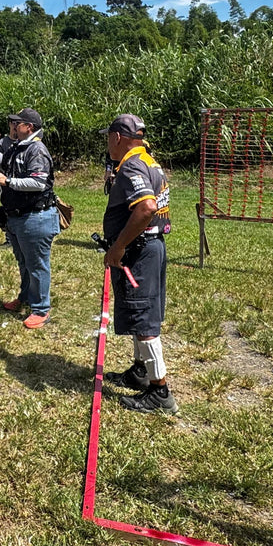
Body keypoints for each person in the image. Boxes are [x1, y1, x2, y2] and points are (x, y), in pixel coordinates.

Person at [101, 115, 179, 414]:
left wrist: (118, 246)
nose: (108, 143)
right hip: (150, 246)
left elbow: (146, 208)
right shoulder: (149, 162)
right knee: (139, 312)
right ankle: (141, 371)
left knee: (144, 319)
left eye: (108, 137)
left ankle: (160, 392)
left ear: (117, 137)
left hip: (139, 250)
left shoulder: (132, 165)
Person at [0, 107, 61, 329]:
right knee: (24, 262)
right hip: (17, 217)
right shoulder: (18, 146)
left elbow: (38, 182)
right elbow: (3, 165)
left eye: (17, 123)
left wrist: (8, 182)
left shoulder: (36, 149)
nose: (13, 126)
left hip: (35, 217)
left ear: (29, 127)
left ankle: (41, 309)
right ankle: (26, 296)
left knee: (37, 265)